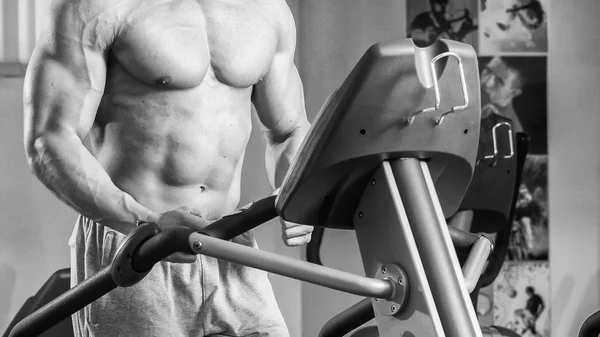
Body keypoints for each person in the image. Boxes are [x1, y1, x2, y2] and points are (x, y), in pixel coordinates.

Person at [23, 0, 312, 336]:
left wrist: (298, 191)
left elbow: (289, 130)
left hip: (229, 239)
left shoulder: (267, 9)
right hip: (138, 242)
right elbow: (50, 138)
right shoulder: (94, 6)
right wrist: (143, 223)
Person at [480, 56, 525, 133]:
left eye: (499, 80)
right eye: (488, 71)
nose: (487, 83)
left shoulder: (512, 130)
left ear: (513, 92)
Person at [408, 0, 477, 46]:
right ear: (433, 4)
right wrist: (427, 36)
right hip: (427, 54)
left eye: (444, 3)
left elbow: (452, 39)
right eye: (439, 3)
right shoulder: (423, 18)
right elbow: (413, 36)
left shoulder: (445, 20)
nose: (442, 6)